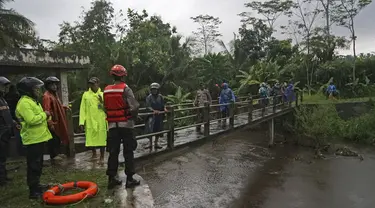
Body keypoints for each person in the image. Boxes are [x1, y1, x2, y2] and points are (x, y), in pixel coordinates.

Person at [103, 65, 140, 189]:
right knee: (128, 151)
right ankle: (129, 179)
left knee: (113, 152)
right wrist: (133, 118)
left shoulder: (106, 90)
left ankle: (111, 178)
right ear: (123, 75)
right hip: (126, 125)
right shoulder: (126, 89)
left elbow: (105, 107)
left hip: (112, 125)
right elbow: (134, 107)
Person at [15, 77, 52, 199]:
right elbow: (31, 120)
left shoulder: (32, 101)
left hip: (39, 138)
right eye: (35, 89)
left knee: (38, 164)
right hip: (32, 139)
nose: (38, 91)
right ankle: (33, 191)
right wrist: (44, 114)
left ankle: (37, 185)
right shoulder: (24, 103)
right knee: (33, 165)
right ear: (28, 90)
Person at [79, 77, 107, 163]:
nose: (92, 85)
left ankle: (102, 156)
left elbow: (107, 108)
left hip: (100, 120)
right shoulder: (86, 95)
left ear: (98, 84)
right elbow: (82, 108)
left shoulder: (103, 94)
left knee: (102, 138)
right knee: (90, 138)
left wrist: (102, 101)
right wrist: (81, 122)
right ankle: (94, 153)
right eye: (91, 84)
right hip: (90, 119)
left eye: (94, 83)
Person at [42, 76, 69, 162]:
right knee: (52, 138)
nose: (54, 86)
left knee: (57, 137)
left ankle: (57, 153)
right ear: (48, 85)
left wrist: (63, 107)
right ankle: (53, 155)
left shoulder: (54, 95)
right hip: (53, 121)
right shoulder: (47, 96)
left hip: (57, 121)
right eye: (52, 84)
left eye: (55, 84)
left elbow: (56, 106)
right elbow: (47, 110)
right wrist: (50, 123)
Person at [0, 77, 18, 186]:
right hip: (1, 133)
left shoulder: (3, 99)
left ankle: (4, 177)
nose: (5, 89)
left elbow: (6, 115)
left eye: (6, 87)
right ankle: (1, 180)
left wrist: (13, 122)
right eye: (3, 86)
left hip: (5, 133)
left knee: (3, 157)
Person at [145, 82, 167, 150]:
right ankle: (150, 143)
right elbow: (148, 106)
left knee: (158, 129)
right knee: (150, 129)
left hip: (159, 115)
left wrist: (165, 109)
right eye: (153, 89)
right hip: (151, 115)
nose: (154, 90)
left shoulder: (160, 96)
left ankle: (156, 143)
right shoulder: (149, 97)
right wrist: (153, 111)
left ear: (158, 90)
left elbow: (163, 104)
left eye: (155, 89)